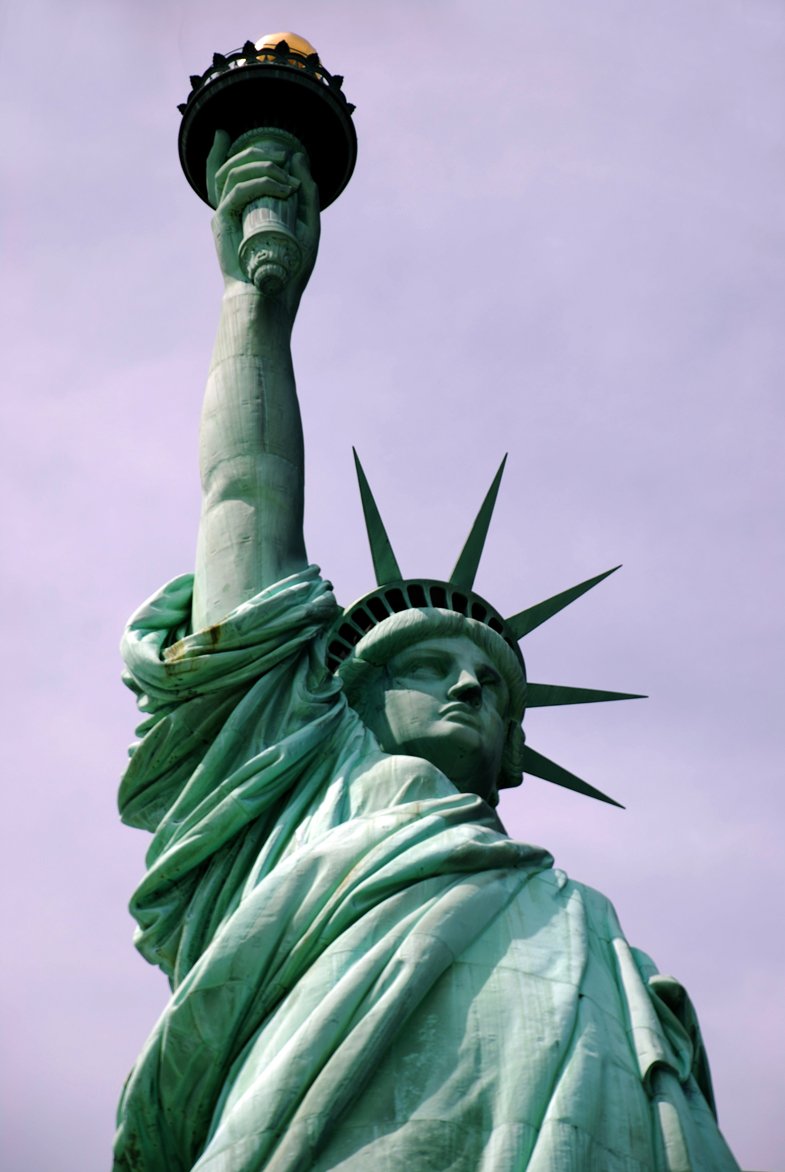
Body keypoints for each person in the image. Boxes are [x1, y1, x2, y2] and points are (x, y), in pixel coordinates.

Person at [113, 135, 740, 1171]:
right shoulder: (290, 795)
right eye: (428, 664)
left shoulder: (581, 924)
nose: (466, 683)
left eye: (491, 684)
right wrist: (253, 301)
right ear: (345, 697)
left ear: (509, 749)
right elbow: (243, 496)